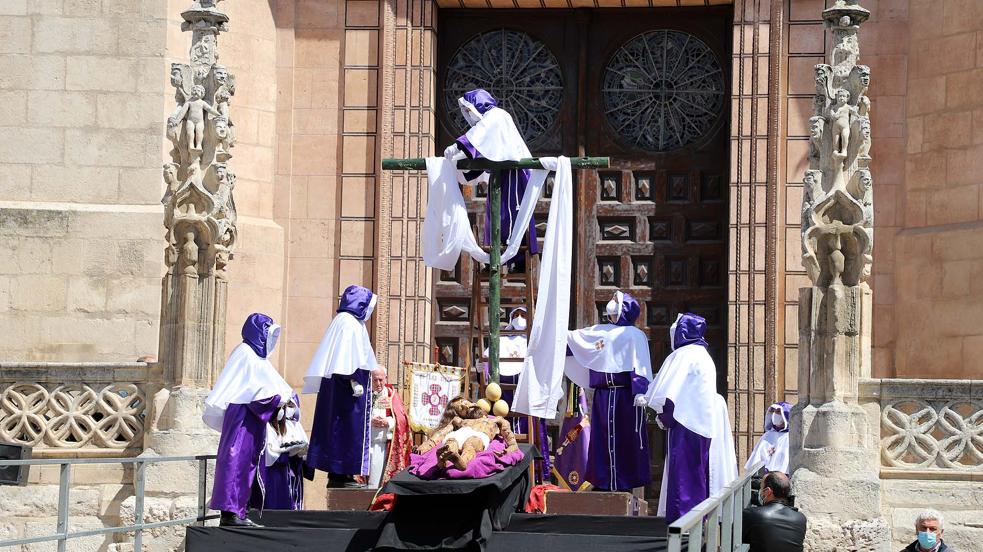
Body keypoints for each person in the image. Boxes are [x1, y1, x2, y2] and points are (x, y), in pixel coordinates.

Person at [644, 312, 738, 523]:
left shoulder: (683, 355)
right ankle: (697, 524)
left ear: (683, 332)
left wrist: (661, 415)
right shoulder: (704, 356)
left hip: (685, 426)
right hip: (702, 427)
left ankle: (681, 524)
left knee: (682, 480)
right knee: (697, 477)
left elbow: (668, 394)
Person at [203, 313, 294, 527]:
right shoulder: (245, 353)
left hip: (251, 419)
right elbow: (252, 391)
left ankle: (240, 511)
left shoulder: (255, 357)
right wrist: (277, 402)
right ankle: (230, 513)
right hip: (242, 418)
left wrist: (278, 404)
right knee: (236, 461)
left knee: (247, 463)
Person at [565, 290, 652, 492]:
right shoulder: (599, 331)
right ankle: (603, 481)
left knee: (625, 439)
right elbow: (576, 344)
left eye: (615, 300)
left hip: (625, 397)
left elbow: (639, 364)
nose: (611, 303)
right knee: (602, 438)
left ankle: (624, 483)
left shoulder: (634, 335)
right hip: (603, 397)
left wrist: (640, 390)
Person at [443, 88, 537, 272]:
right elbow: (483, 150)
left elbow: (478, 137)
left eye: (470, 110)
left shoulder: (496, 116)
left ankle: (516, 260)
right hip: (501, 174)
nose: (469, 115)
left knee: (509, 217)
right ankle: (493, 260)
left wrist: (456, 147)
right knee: (493, 218)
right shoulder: (490, 122)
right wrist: (455, 162)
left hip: (515, 174)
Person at [304, 285, 379, 488]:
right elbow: (345, 359)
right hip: (346, 389)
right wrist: (354, 378)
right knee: (344, 430)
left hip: (344, 389)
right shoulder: (348, 324)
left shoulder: (352, 323)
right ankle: (340, 473)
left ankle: (344, 473)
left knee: (346, 431)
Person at [482, 307, 551, 480]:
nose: (519, 318)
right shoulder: (504, 339)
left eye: (524, 315)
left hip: (526, 394)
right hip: (505, 394)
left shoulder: (534, 340)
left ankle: (534, 473)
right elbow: (486, 358)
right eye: (516, 315)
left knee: (529, 427)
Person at [256, 393, 308, 511]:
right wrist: (286, 452)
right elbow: (269, 454)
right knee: (274, 503)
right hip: (273, 473)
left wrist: (300, 451)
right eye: (284, 407)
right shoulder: (267, 427)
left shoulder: (290, 425)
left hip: (288, 471)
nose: (286, 410)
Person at [367, 367, 411, 488]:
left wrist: (388, 422)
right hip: (365, 445)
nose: (378, 383)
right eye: (375, 380)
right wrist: (369, 421)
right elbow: (356, 416)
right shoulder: (365, 395)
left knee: (377, 482)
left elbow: (403, 420)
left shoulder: (391, 395)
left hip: (383, 446)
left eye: (381, 380)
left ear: (386, 378)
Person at [742, 471, 807, 552]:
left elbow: (736, 538)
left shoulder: (752, 514)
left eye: (761, 487)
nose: (760, 491)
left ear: (768, 491)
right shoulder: (801, 518)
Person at [745, 402, 792, 474]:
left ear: (786, 415)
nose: (775, 414)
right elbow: (757, 458)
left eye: (779, 412)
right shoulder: (767, 435)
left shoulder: (790, 437)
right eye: (774, 411)